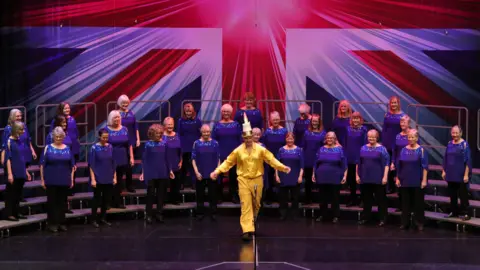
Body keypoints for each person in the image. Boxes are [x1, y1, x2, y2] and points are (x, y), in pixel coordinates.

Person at [210, 113, 291, 241]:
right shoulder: (238, 150)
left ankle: (251, 221)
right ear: (243, 137)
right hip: (243, 179)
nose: (248, 140)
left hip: (257, 179)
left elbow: (271, 159)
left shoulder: (260, 149)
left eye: (250, 137)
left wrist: (282, 167)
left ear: (253, 137)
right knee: (246, 204)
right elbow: (228, 162)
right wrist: (217, 171)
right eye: (246, 137)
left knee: (256, 204)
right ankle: (246, 230)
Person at [40, 127, 75, 233]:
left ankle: (61, 222)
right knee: (52, 202)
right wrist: (42, 180)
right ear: (53, 137)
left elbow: (72, 165)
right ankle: (52, 223)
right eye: (57, 137)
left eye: (60, 137)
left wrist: (72, 179)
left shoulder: (67, 148)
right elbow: (42, 165)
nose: (58, 138)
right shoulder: (48, 148)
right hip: (51, 179)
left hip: (64, 179)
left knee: (62, 202)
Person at [140, 124, 174, 224]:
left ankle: (159, 214)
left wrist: (170, 170)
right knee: (150, 194)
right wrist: (143, 172)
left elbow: (168, 158)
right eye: (157, 133)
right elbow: (144, 160)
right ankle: (149, 215)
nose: (159, 135)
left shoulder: (164, 144)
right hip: (151, 172)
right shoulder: (148, 145)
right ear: (152, 134)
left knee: (161, 195)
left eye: (160, 133)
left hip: (162, 172)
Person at [396, 129, 428, 231]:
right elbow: (399, 165)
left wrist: (424, 180)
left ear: (417, 138)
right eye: (409, 137)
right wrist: (398, 178)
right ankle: (404, 223)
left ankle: (418, 222)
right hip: (405, 179)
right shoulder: (403, 150)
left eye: (413, 137)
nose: (411, 139)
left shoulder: (421, 150)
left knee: (418, 203)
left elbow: (425, 167)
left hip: (417, 180)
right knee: (405, 203)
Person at [357, 130, 390, 226]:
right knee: (366, 199)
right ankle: (365, 218)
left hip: (378, 178)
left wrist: (385, 177)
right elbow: (359, 163)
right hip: (366, 177)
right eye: (369, 137)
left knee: (381, 199)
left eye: (373, 137)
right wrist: (357, 175)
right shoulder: (363, 148)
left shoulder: (382, 149)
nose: (371, 139)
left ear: (377, 138)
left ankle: (382, 219)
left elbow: (387, 164)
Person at [313, 132, 347, 223]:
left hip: (335, 175)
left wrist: (345, 175)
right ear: (325, 139)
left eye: (332, 138)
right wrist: (313, 174)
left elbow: (344, 163)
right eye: (328, 138)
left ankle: (335, 215)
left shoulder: (339, 149)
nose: (330, 139)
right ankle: (322, 215)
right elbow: (316, 163)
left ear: (335, 139)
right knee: (322, 198)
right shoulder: (321, 149)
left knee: (335, 197)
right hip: (321, 175)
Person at [211, 104, 242, 203]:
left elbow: (240, 139)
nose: (226, 113)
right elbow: (214, 140)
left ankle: (233, 195)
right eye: (224, 111)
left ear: (231, 112)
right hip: (220, 153)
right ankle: (219, 196)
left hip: (233, 154)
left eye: (228, 111)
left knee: (234, 176)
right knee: (219, 175)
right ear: (221, 112)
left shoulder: (236, 125)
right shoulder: (217, 125)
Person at [3, 121, 32, 221]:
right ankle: (9, 213)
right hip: (13, 171)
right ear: (16, 130)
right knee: (11, 193)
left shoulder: (20, 141)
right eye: (21, 129)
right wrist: (10, 174)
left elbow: (22, 157)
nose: (23, 131)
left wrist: (26, 171)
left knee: (18, 193)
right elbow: (8, 159)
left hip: (21, 170)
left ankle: (16, 212)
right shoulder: (9, 142)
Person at [191, 124, 220, 221]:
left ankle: (213, 212)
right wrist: (196, 172)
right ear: (201, 132)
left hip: (212, 173)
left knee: (213, 194)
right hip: (200, 173)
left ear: (210, 132)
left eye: (208, 132)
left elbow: (218, 158)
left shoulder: (215, 143)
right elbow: (193, 159)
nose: (206, 133)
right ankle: (200, 212)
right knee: (200, 194)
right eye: (204, 132)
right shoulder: (196, 143)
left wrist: (216, 171)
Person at [88, 128, 117, 228]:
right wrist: (93, 179)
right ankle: (93, 219)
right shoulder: (94, 148)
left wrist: (114, 177)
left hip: (108, 176)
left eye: (107, 137)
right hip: (98, 177)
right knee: (96, 199)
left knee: (106, 199)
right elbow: (91, 164)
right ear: (99, 137)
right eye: (103, 137)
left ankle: (103, 218)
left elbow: (113, 163)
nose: (105, 139)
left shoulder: (110, 147)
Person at [442, 126, 472, 221]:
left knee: (463, 195)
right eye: (453, 132)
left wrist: (466, 174)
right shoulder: (449, 144)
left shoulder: (464, 145)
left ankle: (467, 213)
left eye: (456, 133)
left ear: (460, 133)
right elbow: (445, 158)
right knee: (452, 194)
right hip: (451, 173)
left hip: (461, 174)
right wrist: (444, 170)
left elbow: (468, 161)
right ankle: (454, 211)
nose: (454, 134)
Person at [106, 110, 133, 209]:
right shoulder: (106, 130)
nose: (117, 119)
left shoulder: (125, 129)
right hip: (110, 158)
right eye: (114, 118)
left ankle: (117, 202)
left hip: (122, 158)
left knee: (119, 180)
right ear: (110, 119)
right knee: (110, 181)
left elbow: (129, 144)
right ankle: (107, 202)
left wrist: (131, 157)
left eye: (118, 117)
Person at [275, 132, 304, 220]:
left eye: (291, 138)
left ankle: (294, 214)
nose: (290, 140)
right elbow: (277, 164)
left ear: (294, 139)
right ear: (285, 139)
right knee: (283, 197)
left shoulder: (299, 150)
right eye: (288, 138)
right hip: (283, 176)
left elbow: (302, 165)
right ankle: (283, 214)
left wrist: (300, 176)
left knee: (295, 197)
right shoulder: (281, 150)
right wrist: (276, 176)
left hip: (295, 176)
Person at [262, 111, 288, 204]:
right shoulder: (267, 131)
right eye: (274, 120)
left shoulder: (284, 131)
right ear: (270, 120)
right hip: (269, 158)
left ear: (280, 119)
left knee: (280, 178)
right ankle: (269, 197)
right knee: (269, 178)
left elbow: (287, 144)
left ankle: (280, 198)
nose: (276, 121)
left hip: (281, 158)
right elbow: (263, 144)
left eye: (277, 119)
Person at [382, 96, 405, 193]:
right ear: (390, 104)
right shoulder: (387, 115)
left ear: (398, 104)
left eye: (395, 103)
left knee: (397, 164)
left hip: (398, 143)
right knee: (387, 164)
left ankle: (398, 187)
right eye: (392, 103)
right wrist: (383, 142)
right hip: (387, 142)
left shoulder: (402, 116)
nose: (393, 104)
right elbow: (384, 129)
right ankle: (389, 187)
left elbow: (404, 130)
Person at [301, 114, 326, 205]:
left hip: (319, 159)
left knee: (320, 180)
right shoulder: (306, 132)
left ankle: (322, 201)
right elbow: (303, 146)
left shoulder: (323, 133)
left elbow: (325, 147)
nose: (314, 123)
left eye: (316, 121)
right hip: (308, 158)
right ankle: (308, 199)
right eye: (313, 121)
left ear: (319, 122)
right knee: (308, 180)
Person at [344, 112, 367, 206]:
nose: (355, 120)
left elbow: (366, 143)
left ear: (360, 119)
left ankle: (363, 199)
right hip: (349, 156)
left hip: (360, 156)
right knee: (351, 179)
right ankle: (352, 199)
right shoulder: (347, 129)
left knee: (361, 178)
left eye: (357, 118)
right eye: (354, 118)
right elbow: (345, 142)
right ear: (351, 119)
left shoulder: (364, 129)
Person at [117, 95, 138, 193]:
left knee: (130, 165)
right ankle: (119, 185)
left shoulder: (132, 113)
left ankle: (129, 185)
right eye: (123, 103)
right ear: (119, 103)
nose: (125, 105)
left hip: (131, 140)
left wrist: (138, 139)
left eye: (126, 103)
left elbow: (135, 127)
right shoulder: (116, 114)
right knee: (120, 165)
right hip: (121, 141)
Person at [178, 103, 202, 189]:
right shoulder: (180, 121)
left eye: (190, 111)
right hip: (184, 146)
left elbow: (201, 134)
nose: (188, 113)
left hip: (194, 147)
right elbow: (179, 134)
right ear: (184, 112)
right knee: (183, 166)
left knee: (193, 166)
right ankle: (181, 183)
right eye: (187, 111)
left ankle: (194, 183)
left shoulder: (198, 121)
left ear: (193, 111)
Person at [164, 117, 182, 205]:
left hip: (176, 161)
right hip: (165, 163)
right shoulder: (161, 136)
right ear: (164, 126)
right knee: (164, 183)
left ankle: (175, 199)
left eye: (171, 124)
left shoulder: (177, 135)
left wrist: (181, 161)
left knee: (176, 183)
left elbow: (180, 149)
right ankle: (164, 200)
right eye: (168, 125)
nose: (170, 126)